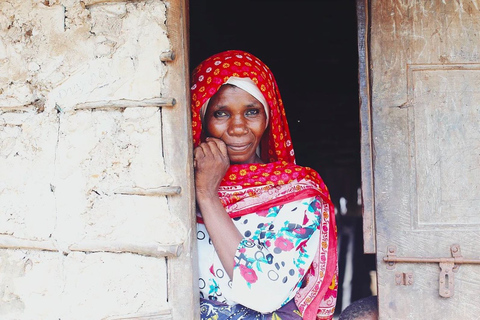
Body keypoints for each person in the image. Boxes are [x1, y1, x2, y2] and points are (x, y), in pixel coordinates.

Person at [191, 50, 338, 320]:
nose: (238, 128)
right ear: (201, 119)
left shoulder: (297, 193)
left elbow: (263, 292)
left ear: (269, 117)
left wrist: (208, 195)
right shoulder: (178, 190)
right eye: (221, 113)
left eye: (251, 112)